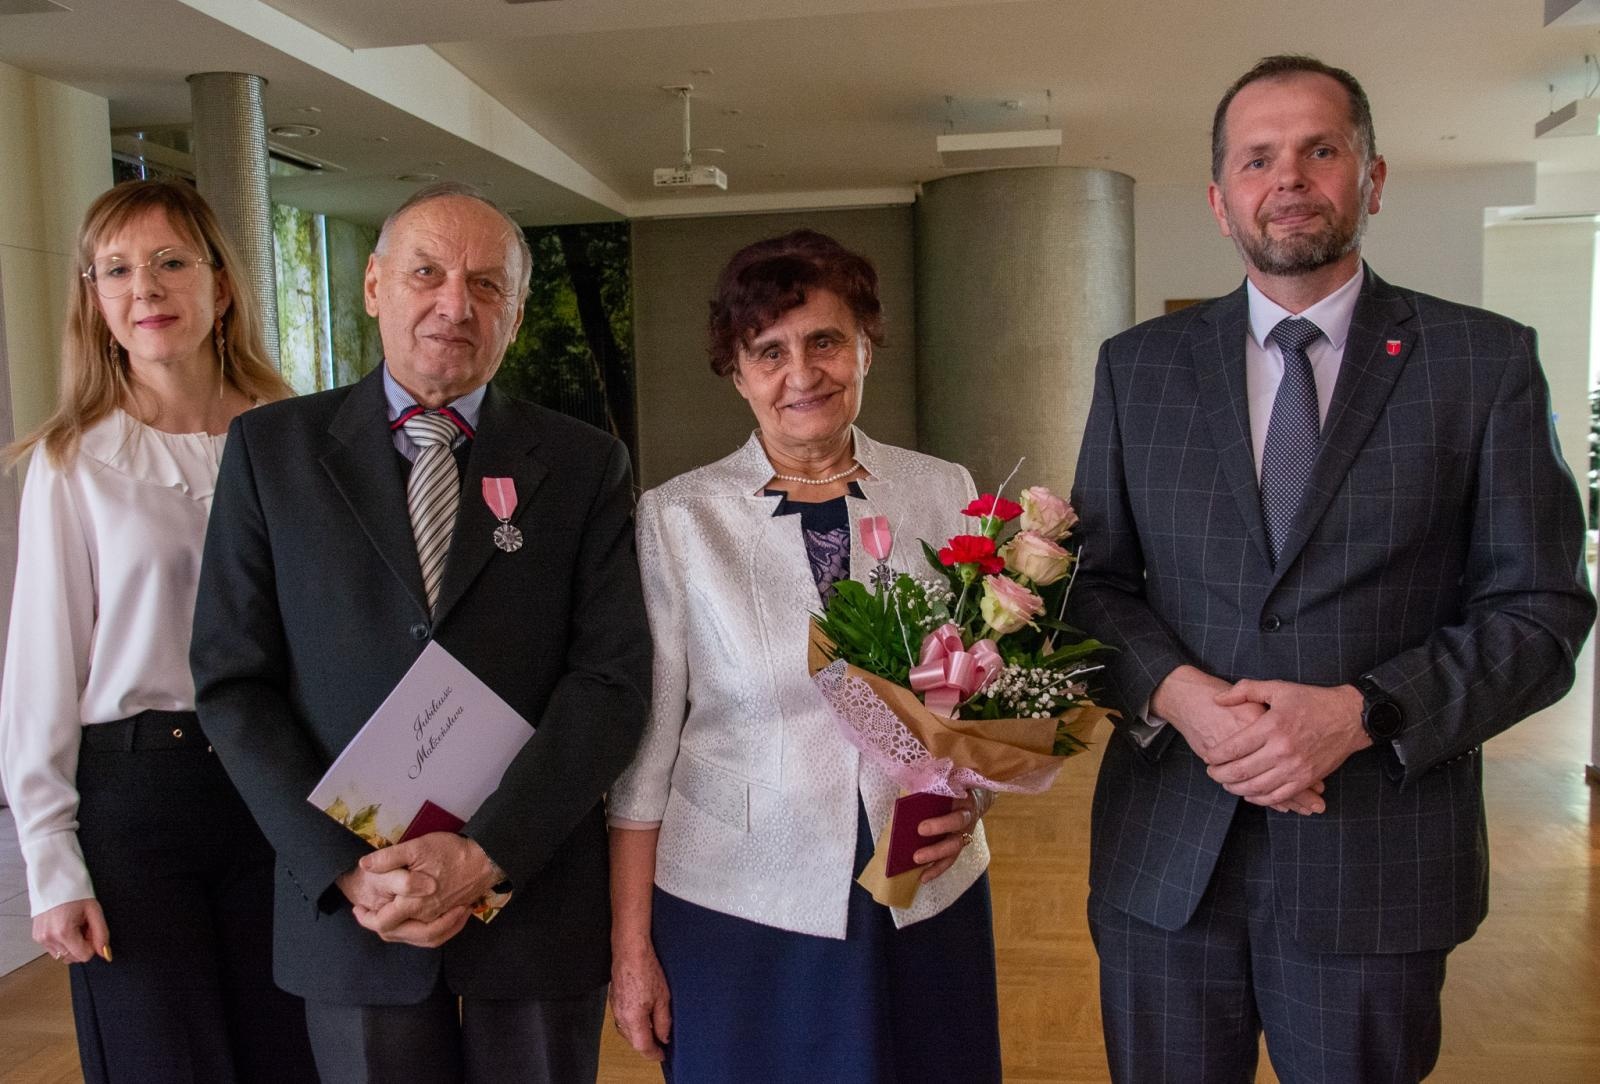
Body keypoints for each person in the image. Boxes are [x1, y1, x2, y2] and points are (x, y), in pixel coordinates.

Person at [1069, 54, 1595, 1083]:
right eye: (1257, 158)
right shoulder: (1137, 368)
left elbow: (1540, 611)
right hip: (1167, 855)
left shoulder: (1481, 362)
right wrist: (1177, 696)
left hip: (1376, 862)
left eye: (1320, 149)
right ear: (1221, 202)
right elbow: (1089, 585)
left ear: (1373, 176)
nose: (1289, 178)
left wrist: (1363, 710)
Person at [190, 181, 651, 1084]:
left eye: (487, 286)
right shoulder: (270, 451)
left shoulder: (587, 462)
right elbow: (232, 682)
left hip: (533, 892)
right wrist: (347, 869)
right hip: (358, 906)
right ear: (372, 285)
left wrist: (489, 853)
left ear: (515, 315)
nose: (455, 304)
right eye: (427, 273)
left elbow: (612, 680)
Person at [606, 229, 1002, 1082]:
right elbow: (645, 755)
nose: (802, 373)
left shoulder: (947, 490)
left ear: (865, 346)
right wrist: (630, 944)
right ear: (737, 370)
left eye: (825, 340)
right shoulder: (677, 519)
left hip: (920, 883)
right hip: (739, 896)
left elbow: (983, 697)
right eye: (769, 350)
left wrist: (973, 805)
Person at [0, 179, 315, 1082]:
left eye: (171, 260)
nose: (146, 286)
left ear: (221, 288)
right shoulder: (73, 463)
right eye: (117, 269)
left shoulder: (294, 440)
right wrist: (53, 864)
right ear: (95, 304)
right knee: (159, 1063)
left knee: (289, 1057)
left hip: (276, 788)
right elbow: (39, 673)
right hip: (136, 798)